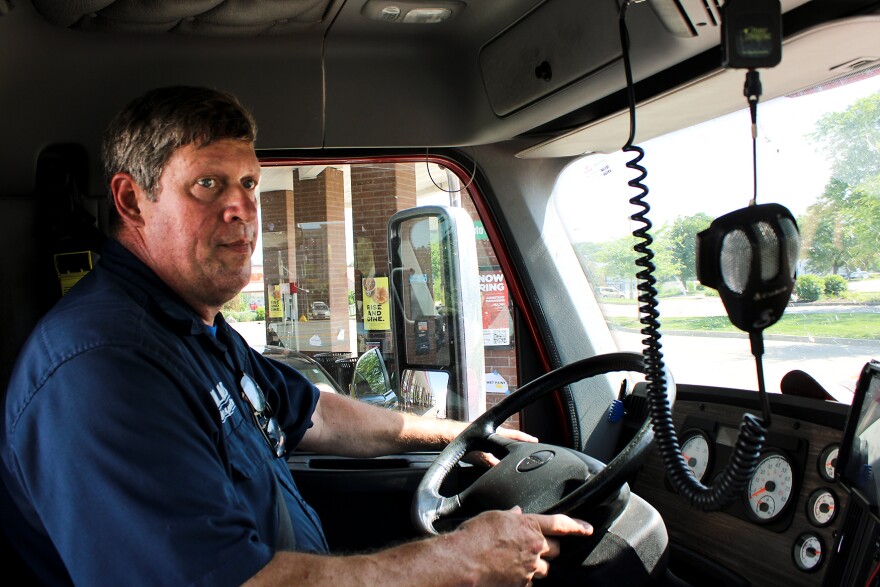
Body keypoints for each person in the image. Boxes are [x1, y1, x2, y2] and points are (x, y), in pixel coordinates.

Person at [0, 86, 592, 586]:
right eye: (208, 185)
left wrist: (458, 434)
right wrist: (459, 560)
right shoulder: (105, 369)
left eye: (250, 185)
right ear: (133, 200)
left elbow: (315, 416)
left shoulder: (192, 327)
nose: (241, 208)